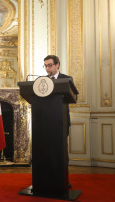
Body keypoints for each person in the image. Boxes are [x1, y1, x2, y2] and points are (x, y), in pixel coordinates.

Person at [43, 54, 75, 189]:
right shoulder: (42, 81)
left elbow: (72, 97)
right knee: (47, 151)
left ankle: (63, 180)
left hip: (61, 121)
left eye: (50, 65)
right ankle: (47, 179)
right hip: (45, 123)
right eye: (45, 66)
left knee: (61, 152)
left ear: (57, 65)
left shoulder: (66, 79)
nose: (47, 68)